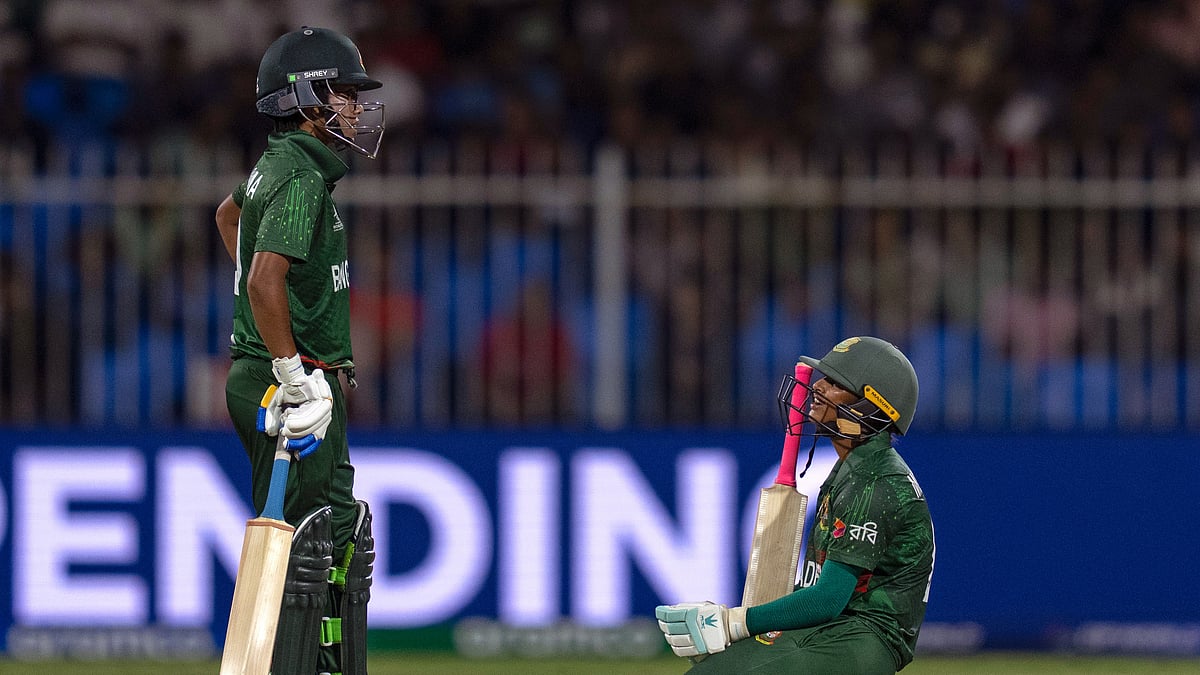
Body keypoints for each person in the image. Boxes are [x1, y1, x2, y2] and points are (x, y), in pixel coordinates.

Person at [213, 25, 385, 675]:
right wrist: (289, 370)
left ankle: (325, 663)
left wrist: (272, 314)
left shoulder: (280, 164)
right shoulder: (300, 176)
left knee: (334, 535)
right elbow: (262, 279)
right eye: (344, 93)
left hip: (295, 375)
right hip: (288, 380)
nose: (356, 108)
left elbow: (229, 218)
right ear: (307, 98)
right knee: (309, 544)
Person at [656, 336, 935, 674]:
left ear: (868, 406)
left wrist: (733, 623)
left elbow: (828, 598)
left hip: (860, 639)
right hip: (834, 630)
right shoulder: (853, 468)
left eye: (836, 383)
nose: (818, 386)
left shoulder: (875, 481)